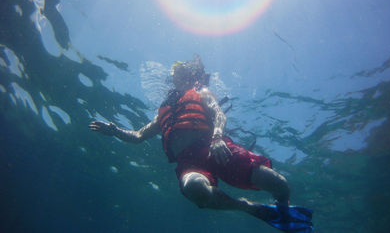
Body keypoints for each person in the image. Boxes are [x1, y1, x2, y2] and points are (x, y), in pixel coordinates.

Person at [89, 56, 313, 232]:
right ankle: (247, 207)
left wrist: (217, 137)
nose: (175, 77)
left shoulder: (200, 92)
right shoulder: (163, 113)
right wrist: (115, 130)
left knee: (280, 184)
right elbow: (138, 136)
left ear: (188, 75)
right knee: (193, 188)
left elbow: (219, 115)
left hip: (216, 147)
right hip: (189, 162)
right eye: (174, 75)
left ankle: (284, 213)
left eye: (179, 73)